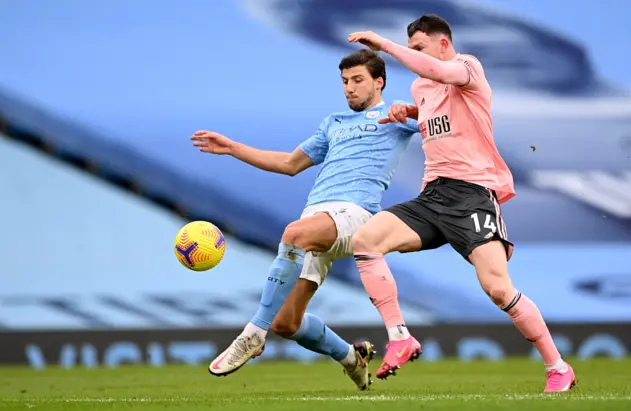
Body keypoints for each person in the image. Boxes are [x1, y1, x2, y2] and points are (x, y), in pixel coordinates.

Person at [346, 15, 576, 392]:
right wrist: (413, 112)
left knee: (499, 289)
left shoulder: (466, 66)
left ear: (442, 44)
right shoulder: (422, 87)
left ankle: (557, 367)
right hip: (433, 195)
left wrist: (384, 44)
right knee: (365, 241)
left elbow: (440, 72)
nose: (416, 56)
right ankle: (400, 336)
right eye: (411, 48)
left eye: (420, 47)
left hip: (472, 195)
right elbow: (446, 114)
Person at [190, 49, 419, 390]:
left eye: (358, 80)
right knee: (285, 322)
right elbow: (288, 164)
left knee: (294, 234)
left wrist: (414, 110)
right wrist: (232, 147)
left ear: (379, 82)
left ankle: (252, 334)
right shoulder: (334, 123)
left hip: (356, 215)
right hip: (318, 218)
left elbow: (445, 115)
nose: (349, 88)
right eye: (344, 81)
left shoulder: (395, 115)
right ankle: (350, 357)